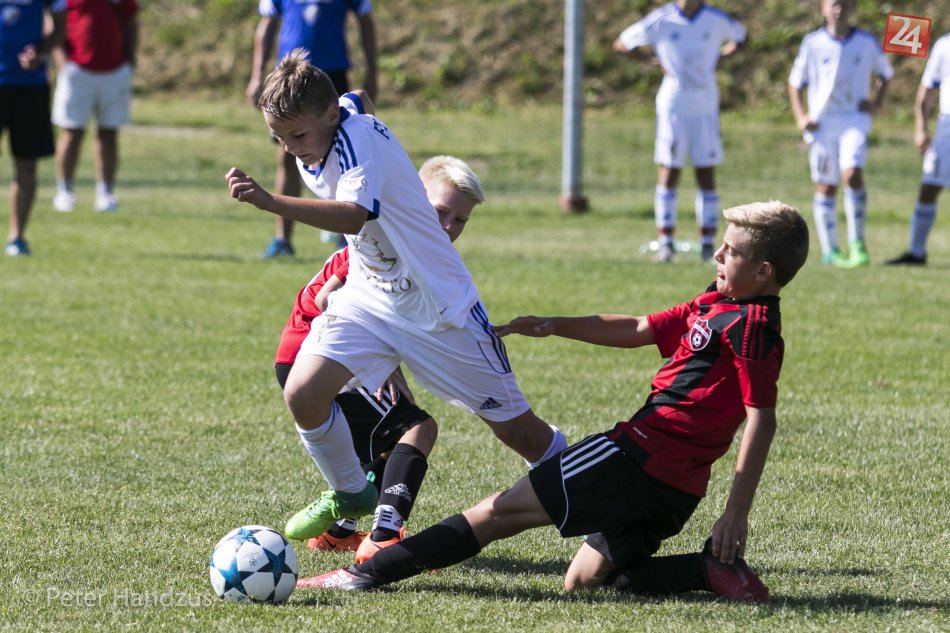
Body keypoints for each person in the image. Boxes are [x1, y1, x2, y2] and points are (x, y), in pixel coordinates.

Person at [296, 201, 809, 604]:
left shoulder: (754, 328)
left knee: (496, 513)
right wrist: (554, 325)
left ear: (763, 272)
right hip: (675, 487)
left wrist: (735, 513)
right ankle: (705, 570)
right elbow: (640, 328)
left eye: (730, 252)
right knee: (583, 581)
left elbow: (761, 420)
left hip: (633, 458)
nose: (717, 256)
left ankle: (361, 575)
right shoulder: (718, 302)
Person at [226, 49, 566, 546]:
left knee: (520, 432)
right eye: (278, 138)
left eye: (297, 136)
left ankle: (596, 492)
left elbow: (352, 215)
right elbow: (359, 97)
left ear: (329, 116)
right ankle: (351, 492)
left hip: (439, 309)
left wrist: (268, 200)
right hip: (371, 299)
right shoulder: (336, 116)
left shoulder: (357, 141)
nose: (290, 148)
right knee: (303, 391)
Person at [276, 152, 487, 562]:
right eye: (440, 213)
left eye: (460, 220)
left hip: (307, 353)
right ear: (414, 199)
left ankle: (339, 531)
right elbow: (327, 298)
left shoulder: (414, 247)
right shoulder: (387, 240)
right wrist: (380, 364)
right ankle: (385, 537)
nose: (448, 227)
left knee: (389, 435)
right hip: (317, 352)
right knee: (418, 429)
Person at [613, 0, 746, 263]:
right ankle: (666, 244)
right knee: (669, 170)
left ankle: (707, 245)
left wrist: (720, 56)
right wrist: (652, 61)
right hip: (674, 106)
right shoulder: (662, 19)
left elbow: (742, 37)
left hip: (705, 106)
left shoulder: (714, 18)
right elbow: (622, 43)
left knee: (705, 172)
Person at [246, 0, 378, 259]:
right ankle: (282, 239)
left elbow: (365, 20)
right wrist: (256, 74)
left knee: (344, 153)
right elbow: (267, 23)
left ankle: (346, 239)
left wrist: (373, 71)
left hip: (330, 77)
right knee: (287, 154)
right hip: (289, 79)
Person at [788, 0, 892, 268]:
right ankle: (831, 250)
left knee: (852, 174)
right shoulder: (812, 43)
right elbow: (795, 83)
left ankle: (857, 243)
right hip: (822, 125)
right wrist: (801, 116)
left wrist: (877, 103)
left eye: (845, 4)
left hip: (854, 120)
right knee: (827, 185)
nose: (839, 10)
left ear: (852, 8)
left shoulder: (866, 42)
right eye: (834, 4)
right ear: (823, 8)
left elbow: (885, 74)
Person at [50, 0, 138, 213]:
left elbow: (131, 22)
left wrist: (130, 58)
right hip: (76, 70)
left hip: (115, 70)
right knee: (72, 132)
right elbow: (54, 23)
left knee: (108, 133)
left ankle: (105, 194)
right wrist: (61, 61)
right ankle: (65, 191)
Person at [1, 0, 66, 256]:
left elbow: (61, 27)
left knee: (26, 165)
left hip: (30, 86)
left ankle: (16, 238)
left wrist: (41, 51)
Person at [886, 32, 950, 266]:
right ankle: (916, 252)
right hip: (947, 129)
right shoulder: (944, 45)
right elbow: (926, 91)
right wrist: (921, 128)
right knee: (929, 187)